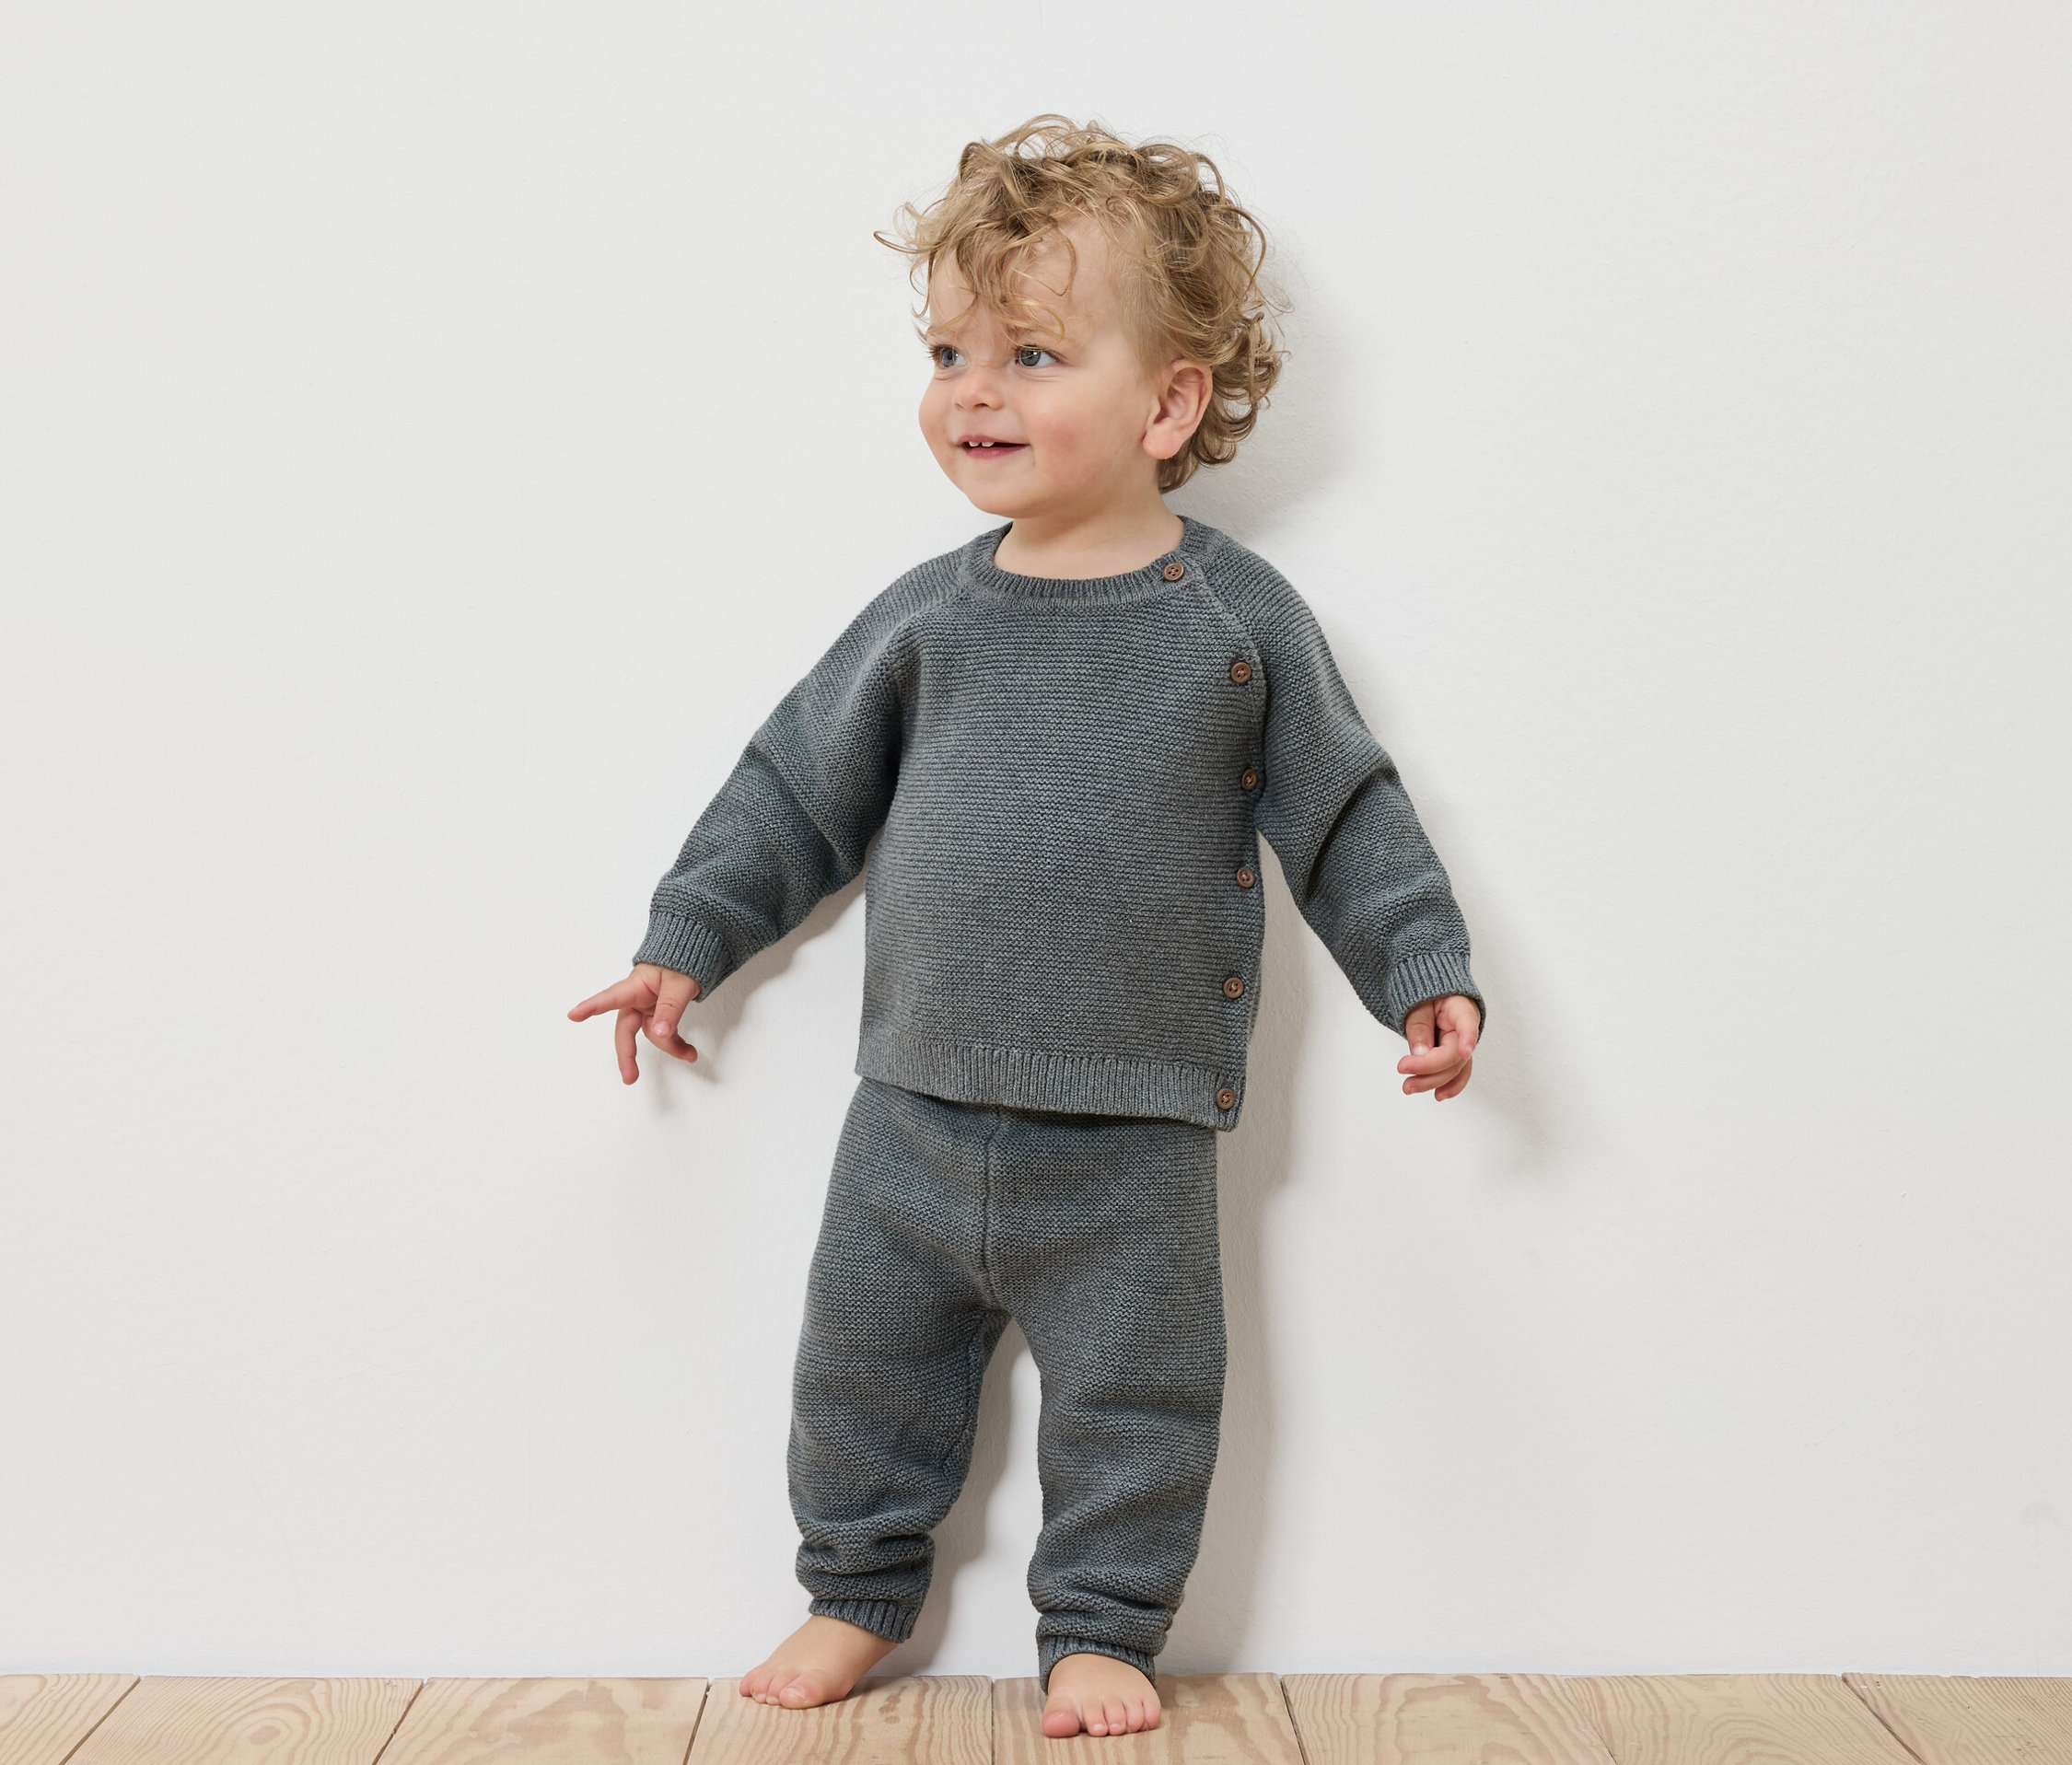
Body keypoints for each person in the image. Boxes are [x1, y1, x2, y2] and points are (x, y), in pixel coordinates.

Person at [569, 114, 1484, 1741]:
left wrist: (1419, 970)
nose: (970, 390)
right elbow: (793, 789)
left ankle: (1102, 1627)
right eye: (946, 349)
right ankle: (852, 1589)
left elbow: (1343, 812)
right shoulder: (929, 615)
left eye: (1031, 351)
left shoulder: (1234, 621)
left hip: (1134, 1123)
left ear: (1168, 400)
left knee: (1138, 1403)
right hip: (913, 1103)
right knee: (857, 1370)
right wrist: (685, 934)